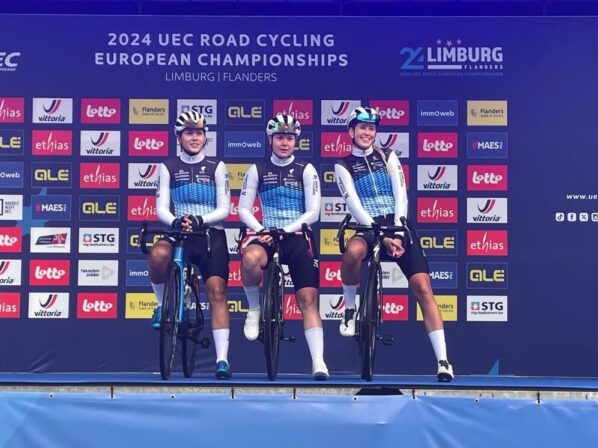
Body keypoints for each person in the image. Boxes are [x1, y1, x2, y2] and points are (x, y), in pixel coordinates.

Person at [335, 106, 454, 381]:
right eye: (362, 128)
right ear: (351, 131)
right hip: (368, 226)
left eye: (371, 128)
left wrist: (398, 233)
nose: (367, 133)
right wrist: (379, 234)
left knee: (423, 287)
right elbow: (353, 203)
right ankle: (350, 309)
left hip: (397, 224)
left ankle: (443, 361)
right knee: (352, 252)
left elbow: (401, 195)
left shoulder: (388, 156)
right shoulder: (342, 164)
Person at [238, 114, 329, 380]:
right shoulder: (257, 169)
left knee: (308, 300)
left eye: (289, 138)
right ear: (270, 140)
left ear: (296, 141)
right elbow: (243, 209)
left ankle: (318, 362)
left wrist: (285, 230)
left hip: (297, 236)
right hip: (267, 235)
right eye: (279, 137)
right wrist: (261, 230)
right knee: (250, 258)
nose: (284, 143)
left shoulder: (306, 169)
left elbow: (313, 212)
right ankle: (254, 309)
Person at [147, 110, 232, 380]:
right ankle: (161, 305)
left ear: (205, 137)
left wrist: (199, 219)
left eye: (199, 133)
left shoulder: (217, 166)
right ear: (179, 137)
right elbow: (161, 207)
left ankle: (222, 359)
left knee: (217, 291)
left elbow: (225, 208)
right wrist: (176, 221)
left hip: (209, 232)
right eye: (189, 133)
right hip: (180, 230)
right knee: (158, 254)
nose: (194, 138)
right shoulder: (168, 166)